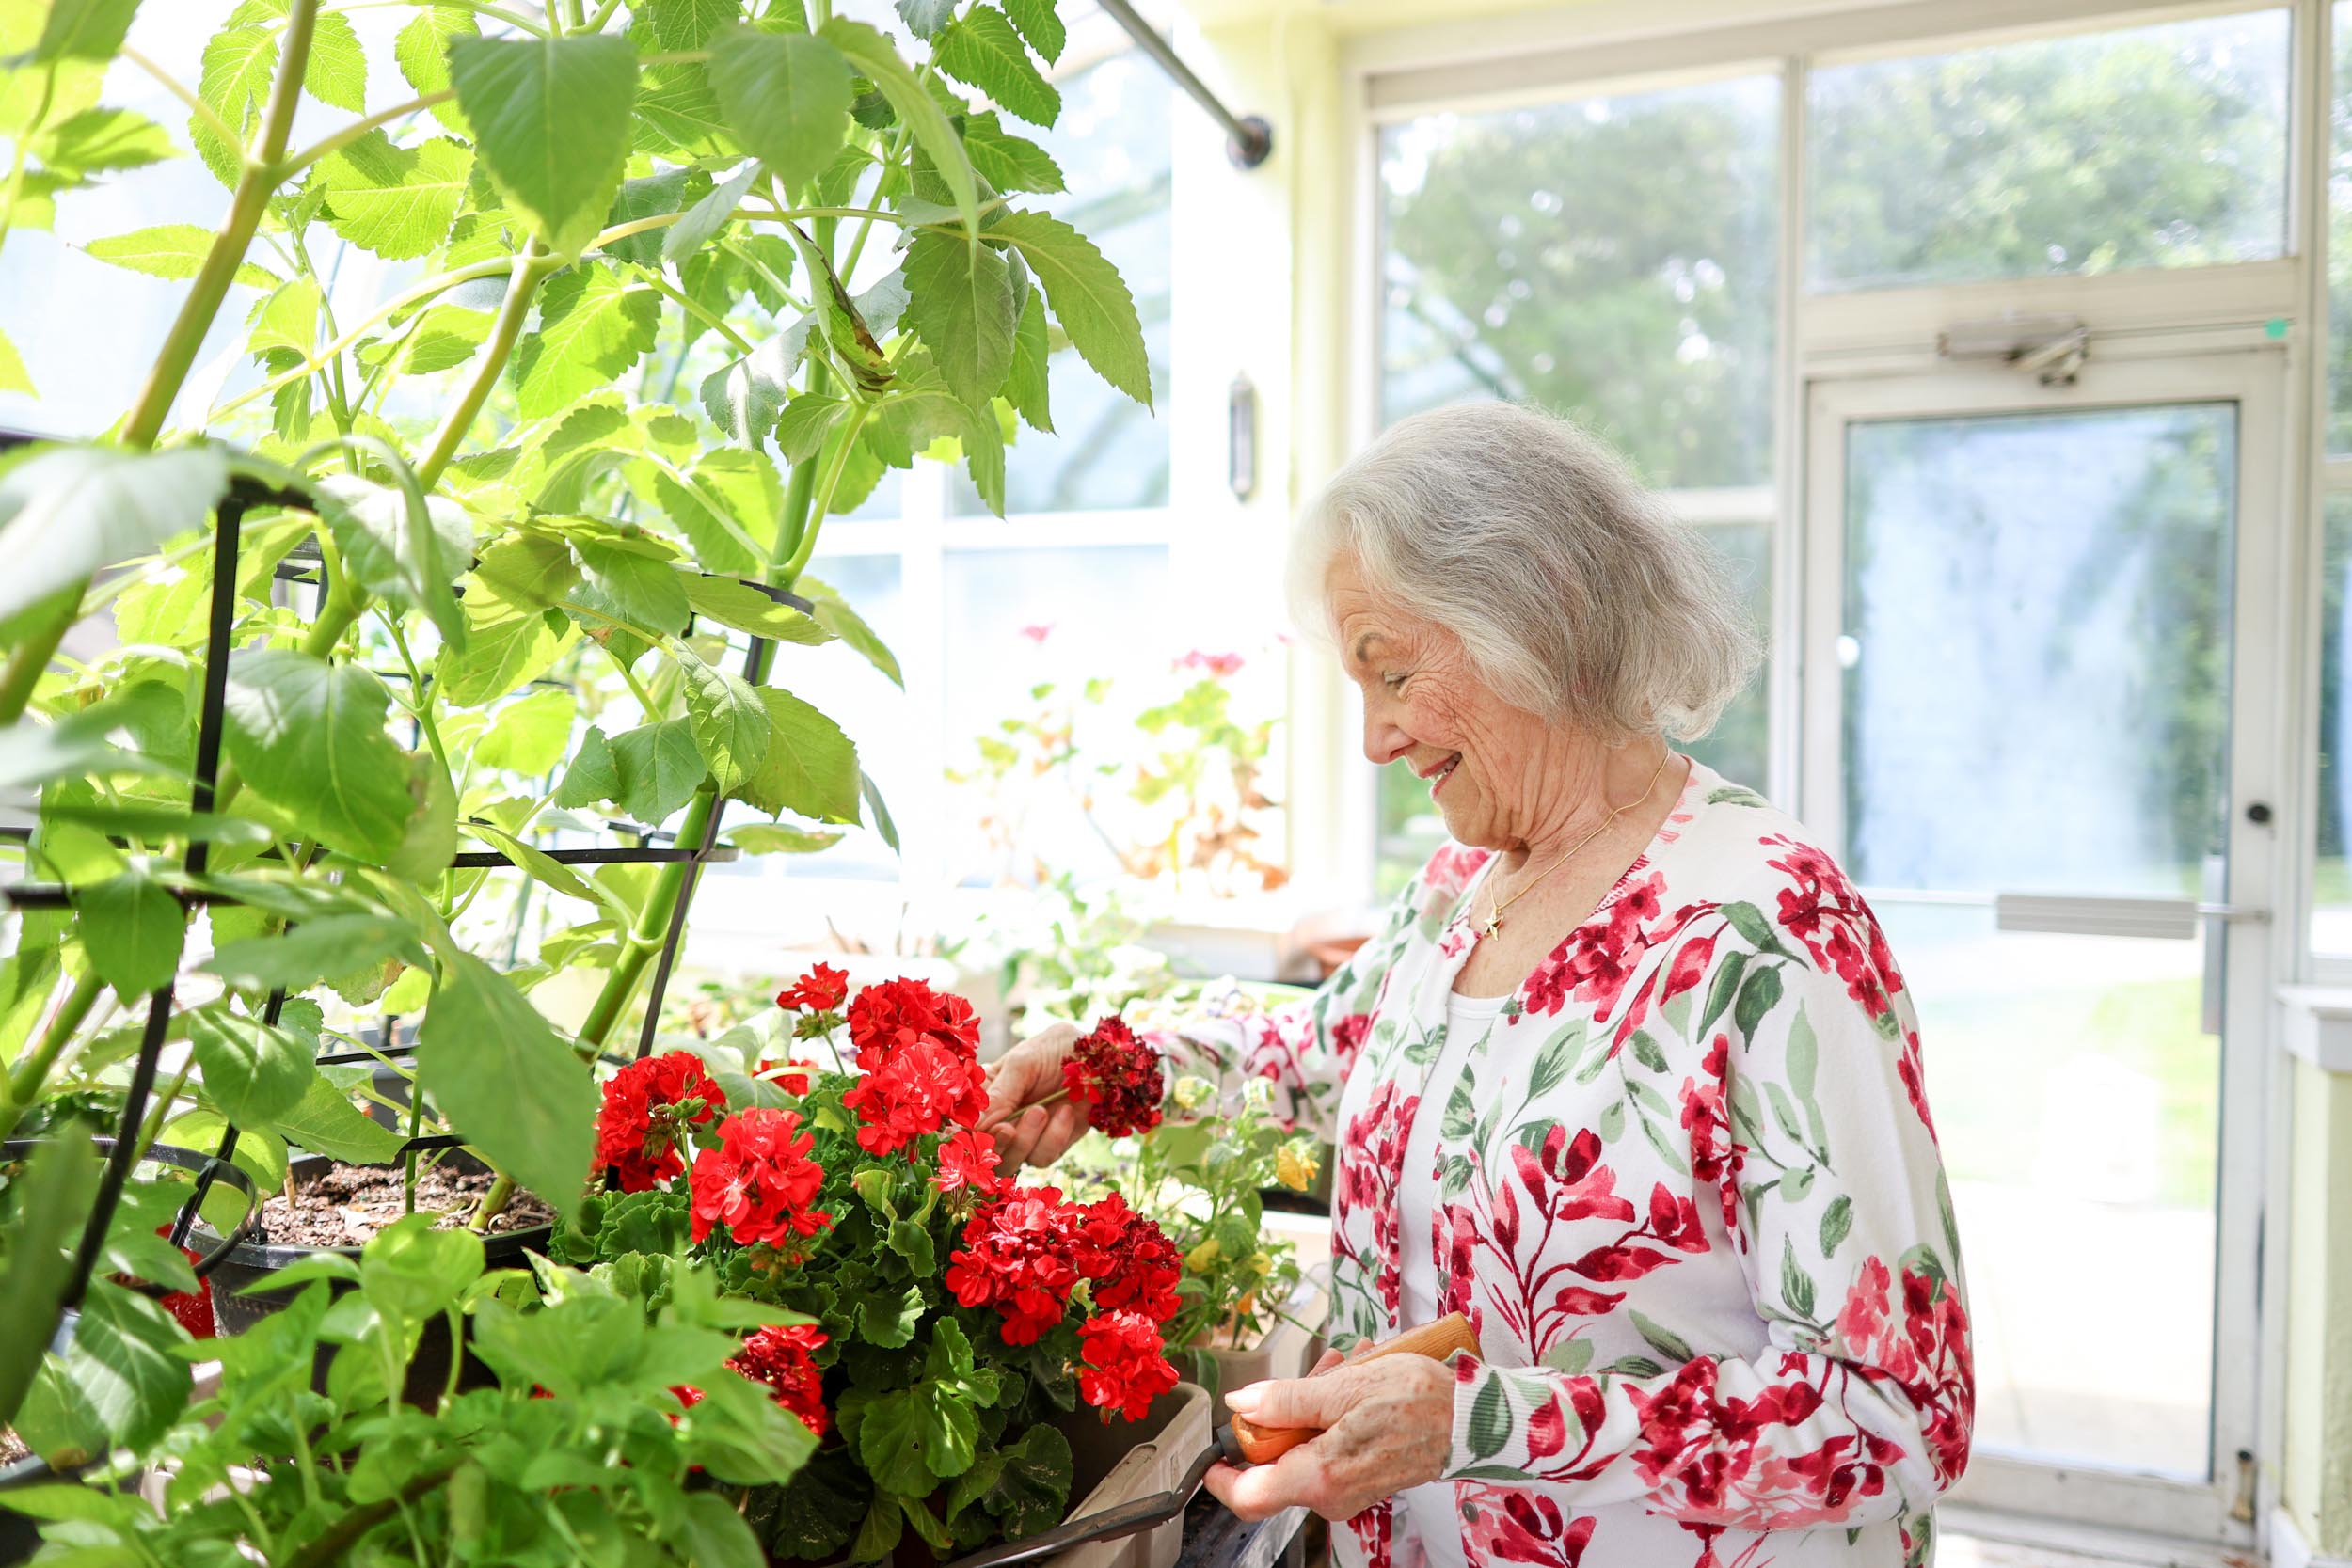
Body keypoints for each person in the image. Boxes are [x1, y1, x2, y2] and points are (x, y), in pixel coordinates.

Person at [981, 403, 1972, 1568]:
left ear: (1535, 617)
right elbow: (1327, 1056)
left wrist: (1476, 1422)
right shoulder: (1462, 885)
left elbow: (1897, 1409)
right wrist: (1112, 1070)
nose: (1374, 738)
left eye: (1391, 671)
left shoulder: (1767, 937)